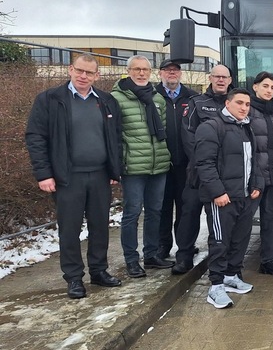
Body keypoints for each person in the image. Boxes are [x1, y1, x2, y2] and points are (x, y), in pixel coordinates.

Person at [25, 53, 123, 299]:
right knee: (69, 229)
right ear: (70, 69)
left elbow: (115, 137)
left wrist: (114, 169)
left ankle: (99, 271)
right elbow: (36, 137)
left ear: (96, 75)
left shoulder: (107, 101)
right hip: (67, 177)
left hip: (100, 175)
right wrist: (44, 173)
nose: (83, 76)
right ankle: (74, 278)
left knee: (100, 226)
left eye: (89, 73)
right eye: (80, 70)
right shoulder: (50, 99)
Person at [195, 88, 263, 309]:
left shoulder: (246, 128)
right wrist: (217, 192)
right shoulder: (211, 127)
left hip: (244, 196)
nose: (244, 108)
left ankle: (231, 276)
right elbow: (204, 164)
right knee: (220, 241)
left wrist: (256, 184)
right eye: (240, 103)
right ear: (227, 103)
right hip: (222, 198)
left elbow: (253, 161)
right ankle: (215, 287)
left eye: (247, 104)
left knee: (240, 239)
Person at [111, 55, 173, 278]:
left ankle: (151, 254)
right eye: (136, 69)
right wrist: (117, 165)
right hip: (133, 167)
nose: (141, 73)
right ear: (128, 71)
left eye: (145, 69)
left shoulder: (157, 98)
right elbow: (114, 135)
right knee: (132, 213)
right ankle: (131, 259)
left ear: (151, 72)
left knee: (155, 211)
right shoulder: (116, 98)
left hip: (158, 165)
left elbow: (162, 130)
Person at [172, 64, 232, 274]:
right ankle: (184, 256)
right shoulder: (196, 103)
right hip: (198, 172)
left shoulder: (233, 103)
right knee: (189, 212)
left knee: (219, 219)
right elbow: (188, 137)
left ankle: (220, 260)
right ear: (210, 78)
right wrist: (204, 162)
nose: (221, 80)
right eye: (217, 76)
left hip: (224, 174)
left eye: (224, 77)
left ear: (230, 80)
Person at [155, 59, 198, 260]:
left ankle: (185, 244)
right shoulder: (152, 95)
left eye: (175, 70)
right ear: (160, 73)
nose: (171, 73)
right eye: (167, 70)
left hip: (185, 163)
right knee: (162, 207)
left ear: (180, 74)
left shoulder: (192, 97)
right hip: (162, 162)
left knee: (185, 207)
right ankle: (163, 245)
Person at [249, 71, 273, 276]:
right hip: (252, 178)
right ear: (255, 87)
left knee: (270, 222)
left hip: (272, 177)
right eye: (265, 86)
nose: (269, 90)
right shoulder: (247, 110)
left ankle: (269, 261)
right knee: (244, 222)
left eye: (272, 87)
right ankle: (233, 266)